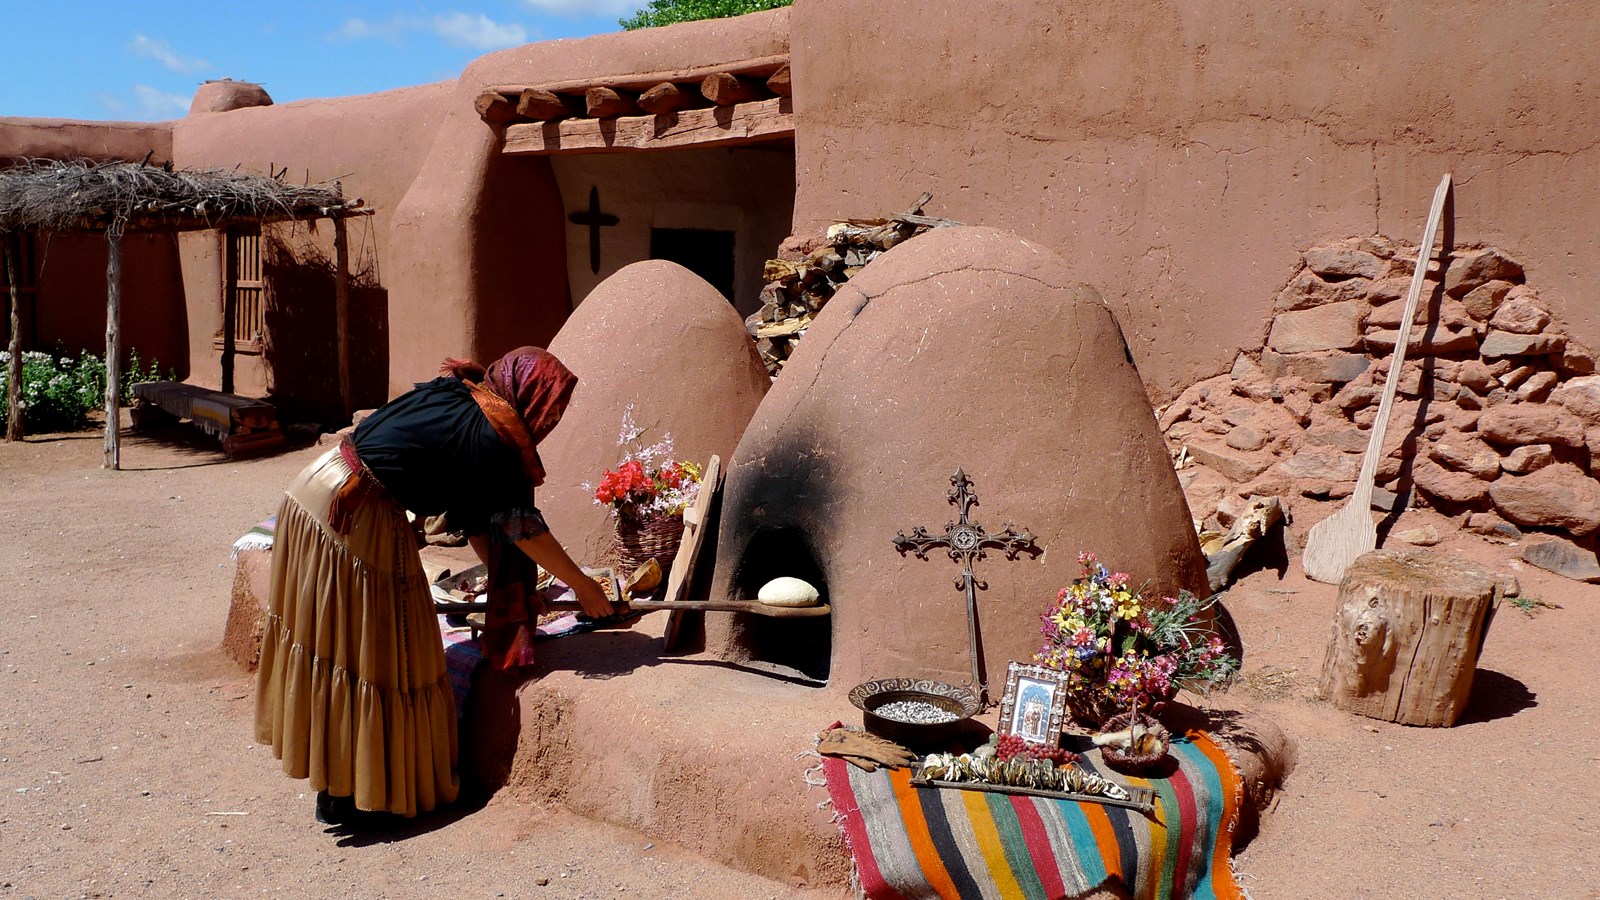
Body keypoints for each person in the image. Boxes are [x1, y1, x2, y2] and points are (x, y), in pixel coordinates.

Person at [253, 346, 615, 825]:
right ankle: (370, 797)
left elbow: (481, 519)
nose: (552, 418)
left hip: (318, 488)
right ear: (529, 399)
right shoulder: (494, 436)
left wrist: (517, 591)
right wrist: (584, 587)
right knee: (388, 650)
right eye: (552, 407)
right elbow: (521, 527)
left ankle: (338, 789)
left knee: (341, 646)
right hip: (357, 511)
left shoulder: (464, 396)